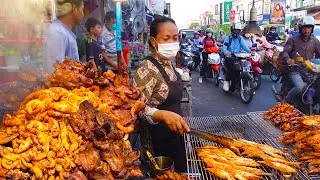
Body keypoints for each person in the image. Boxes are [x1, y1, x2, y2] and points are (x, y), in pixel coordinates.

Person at [133, 16, 190, 172]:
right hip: (158, 141)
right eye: (166, 38)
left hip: (176, 135)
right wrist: (161, 114)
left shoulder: (169, 63)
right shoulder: (146, 69)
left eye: (175, 38)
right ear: (153, 41)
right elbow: (136, 108)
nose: (172, 43)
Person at [282, 16, 320, 104]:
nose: (306, 30)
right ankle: (286, 101)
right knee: (300, 87)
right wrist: (288, 59)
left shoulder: (315, 41)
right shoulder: (293, 40)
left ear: (312, 28)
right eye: (304, 27)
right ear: (300, 28)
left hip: (310, 70)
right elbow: (285, 52)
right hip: (295, 69)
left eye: (309, 27)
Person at [44, 0, 84, 73]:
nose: (83, 14)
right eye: (82, 9)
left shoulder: (63, 32)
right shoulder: (58, 33)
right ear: (74, 9)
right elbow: (55, 72)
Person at [222, 23, 251, 91]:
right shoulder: (228, 38)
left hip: (238, 56)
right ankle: (229, 82)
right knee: (233, 70)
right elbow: (224, 47)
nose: (236, 32)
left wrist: (250, 51)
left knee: (244, 66)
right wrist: (226, 52)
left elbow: (244, 46)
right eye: (235, 30)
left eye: (238, 31)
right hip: (229, 57)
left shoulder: (240, 38)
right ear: (232, 31)